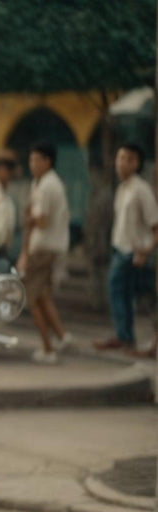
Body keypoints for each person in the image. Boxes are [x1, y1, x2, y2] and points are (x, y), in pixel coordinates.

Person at [93, 143, 158, 356]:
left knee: (139, 296)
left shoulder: (141, 189)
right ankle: (125, 337)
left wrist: (145, 251)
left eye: (127, 159)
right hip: (120, 249)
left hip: (135, 253)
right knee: (126, 295)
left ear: (137, 163)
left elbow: (154, 225)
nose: (121, 163)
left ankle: (127, 337)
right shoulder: (122, 188)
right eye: (119, 158)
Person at [19, 140, 72, 363]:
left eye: (36, 159)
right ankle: (62, 336)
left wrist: (29, 218)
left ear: (47, 161)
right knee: (42, 296)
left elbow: (40, 220)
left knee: (31, 298)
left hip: (44, 248)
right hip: (43, 247)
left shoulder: (49, 185)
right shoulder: (40, 183)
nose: (32, 164)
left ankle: (48, 348)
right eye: (30, 159)